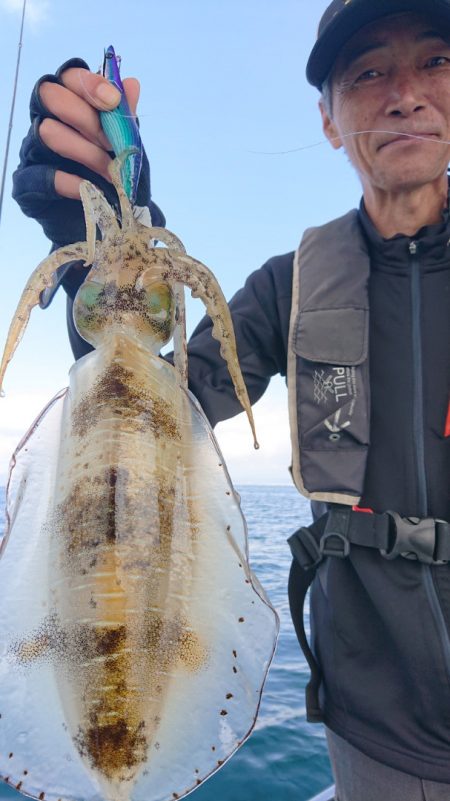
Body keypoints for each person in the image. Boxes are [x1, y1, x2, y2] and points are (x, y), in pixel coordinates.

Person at [11, 0, 450, 798]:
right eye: (370, 72)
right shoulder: (292, 286)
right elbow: (166, 397)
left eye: (436, 62)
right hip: (377, 735)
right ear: (329, 119)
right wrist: (98, 275)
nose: (407, 94)